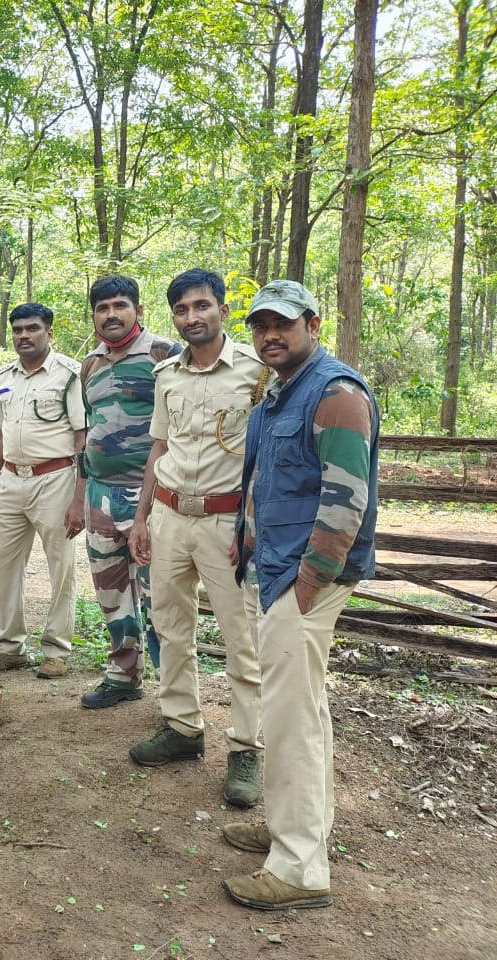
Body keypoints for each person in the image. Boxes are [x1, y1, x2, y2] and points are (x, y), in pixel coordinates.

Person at [222, 280, 378, 911]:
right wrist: (248, 541)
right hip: (279, 567)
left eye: (282, 324)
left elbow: (346, 499)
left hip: (304, 578)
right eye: (260, 327)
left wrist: (309, 581)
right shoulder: (280, 391)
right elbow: (266, 478)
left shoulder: (336, 393)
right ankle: (296, 826)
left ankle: (298, 868)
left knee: (288, 721)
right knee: (303, 711)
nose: (269, 336)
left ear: (312, 323)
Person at [127, 269, 270, 808]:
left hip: (226, 523)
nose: (193, 317)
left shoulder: (256, 375)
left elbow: (267, 461)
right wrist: (142, 519)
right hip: (168, 518)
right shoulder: (167, 375)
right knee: (170, 625)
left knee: (242, 637)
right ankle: (182, 727)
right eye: (183, 309)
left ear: (222, 308)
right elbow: (158, 451)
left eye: (202, 306)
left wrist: (250, 525)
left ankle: (245, 748)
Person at [69, 275, 180, 708]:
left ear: (138, 310)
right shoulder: (91, 364)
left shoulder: (165, 356)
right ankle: (122, 673)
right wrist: (79, 497)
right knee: (111, 592)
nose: (111, 314)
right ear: (93, 314)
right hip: (100, 495)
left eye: (120, 305)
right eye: (102, 307)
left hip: (151, 497)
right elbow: (89, 433)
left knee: (159, 598)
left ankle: (173, 694)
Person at [0, 303, 86, 679]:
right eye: (18, 330)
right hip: (10, 480)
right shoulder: (5, 377)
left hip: (55, 479)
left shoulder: (69, 375)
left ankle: (57, 650)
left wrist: (79, 496)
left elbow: (81, 436)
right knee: (2, 566)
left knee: (62, 568)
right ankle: (10, 647)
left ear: (49, 333)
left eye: (33, 329)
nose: (24, 335)